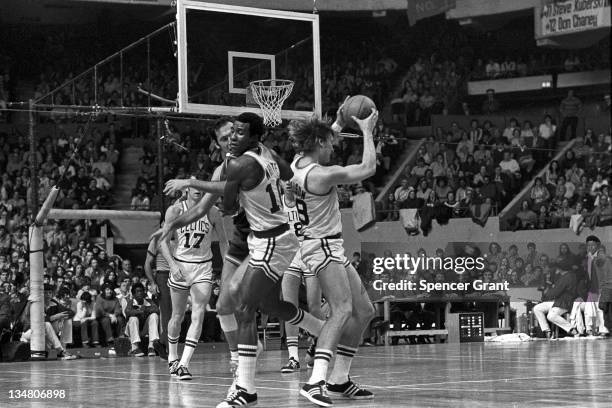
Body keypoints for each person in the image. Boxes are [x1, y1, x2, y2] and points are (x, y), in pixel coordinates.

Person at [216, 113, 326, 408]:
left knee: (243, 306)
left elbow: (226, 208)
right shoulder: (268, 154)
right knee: (269, 305)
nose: (233, 138)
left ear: (253, 137)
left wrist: (231, 190)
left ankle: (245, 389)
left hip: (271, 243)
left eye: (240, 133)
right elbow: (289, 178)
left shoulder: (239, 165)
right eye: (231, 133)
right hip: (277, 236)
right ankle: (322, 330)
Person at [288, 109, 377, 406]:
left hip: (325, 246)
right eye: (330, 142)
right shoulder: (323, 175)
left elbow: (323, 139)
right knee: (341, 310)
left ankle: (339, 380)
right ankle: (315, 381)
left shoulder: (297, 163)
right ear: (318, 143)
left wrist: (337, 121)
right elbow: (367, 168)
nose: (334, 145)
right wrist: (366, 130)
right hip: (321, 247)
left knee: (364, 311)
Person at [160, 180, 224, 380]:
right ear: (186, 190)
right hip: (180, 265)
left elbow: (224, 242)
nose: (198, 190)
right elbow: (162, 240)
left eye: (202, 187)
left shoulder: (213, 212)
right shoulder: (175, 211)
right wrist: (171, 264)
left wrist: (228, 270)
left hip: (203, 267)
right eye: (194, 187)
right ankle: (172, 357)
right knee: (177, 316)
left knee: (198, 315)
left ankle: (184, 364)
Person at [533, 263, 579, 339]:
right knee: (537, 308)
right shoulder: (564, 276)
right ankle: (547, 330)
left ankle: (572, 329)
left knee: (551, 316)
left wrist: (547, 292)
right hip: (557, 301)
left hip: (564, 302)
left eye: (557, 269)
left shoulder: (568, 276)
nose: (556, 270)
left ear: (560, 269)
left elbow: (556, 291)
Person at [143, 233, 171, 359]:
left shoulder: (181, 234)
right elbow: (147, 263)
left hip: (180, 275)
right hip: (163, 276)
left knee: (178, 315)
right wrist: (153, 282)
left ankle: (161, 343)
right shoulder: (156, 239)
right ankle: (170, 350)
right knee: (166, 314)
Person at [124, 282, 160, 357]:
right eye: (137, 292)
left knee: (154, 316)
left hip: (143, 330)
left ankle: (151, 347)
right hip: (131, 330)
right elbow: (127, 312)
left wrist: (146, 309)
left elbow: (156, 309)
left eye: (141, 291)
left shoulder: (149, 301)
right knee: (133, 318)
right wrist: (139, 311)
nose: (140, 293)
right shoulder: (130, 302)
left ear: (144, 292)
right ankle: (135, 348)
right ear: (133, 295)